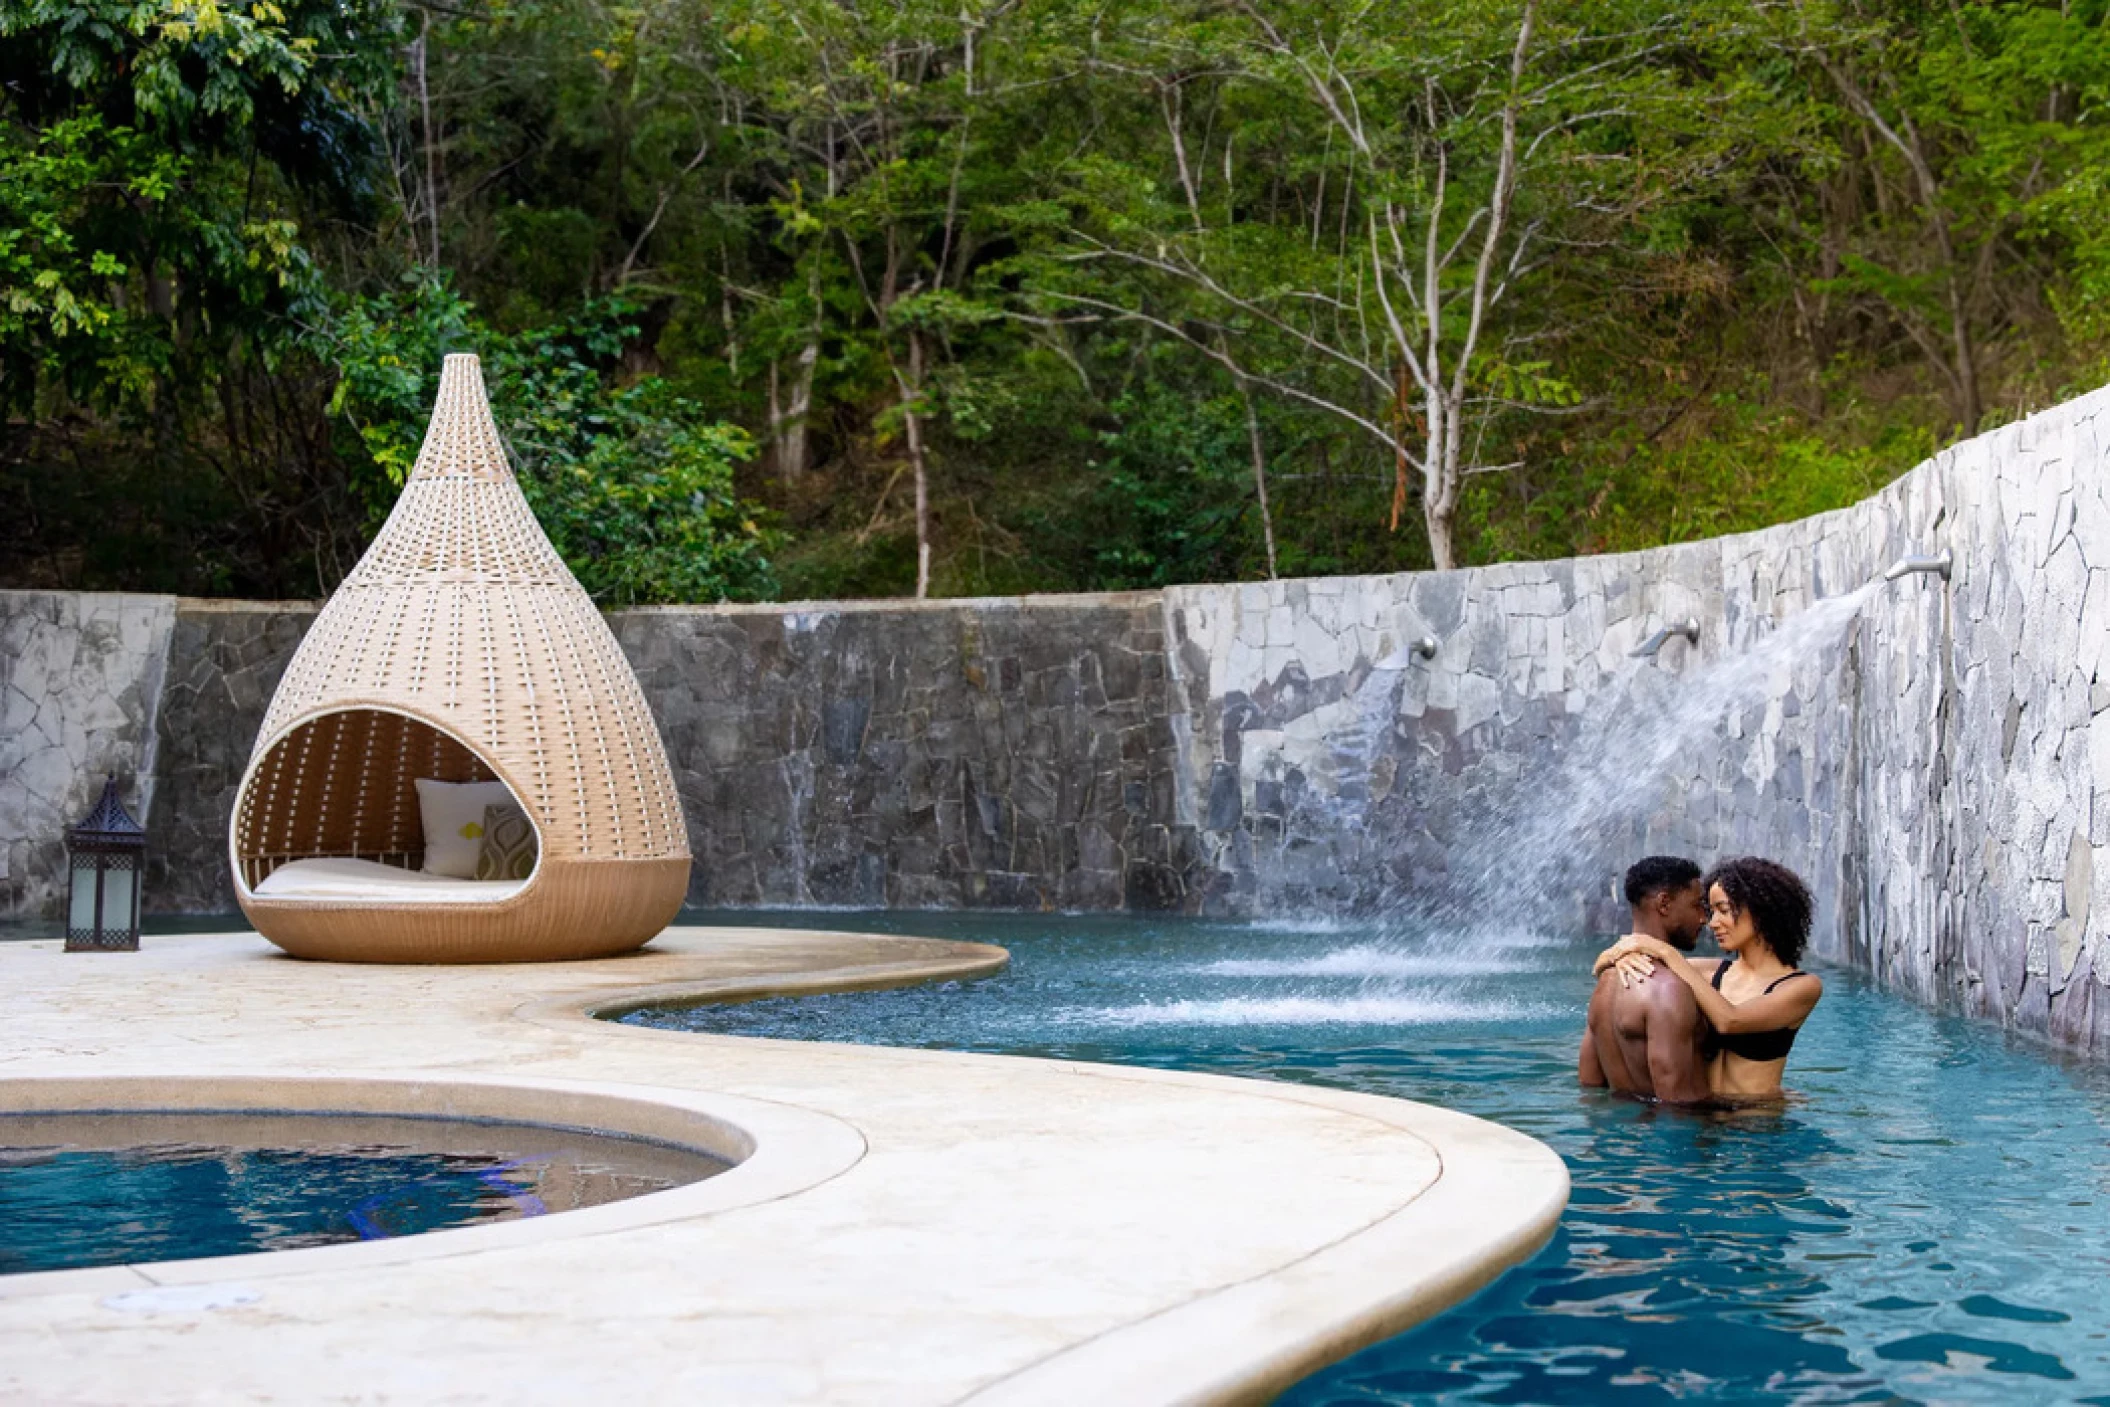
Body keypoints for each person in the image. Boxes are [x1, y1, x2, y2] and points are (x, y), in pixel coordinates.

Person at [1594, 856, 1824, 1101]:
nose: (1712, 923)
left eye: (1723, 910)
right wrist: (1618, 958)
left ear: (1761, 912)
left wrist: (1664, 951)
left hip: (1758, 1124)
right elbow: (1605, 966)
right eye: (1711, 911)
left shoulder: (1802, 987)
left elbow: (1730, 1020)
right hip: (1706, 1116)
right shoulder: (1708, 971)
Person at [1579, 856, 1713, 1103]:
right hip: (1680, 1137)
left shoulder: (1606, 981)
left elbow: (1590, 1082)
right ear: (1664, 903)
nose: (1704, 918)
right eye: (1697, 906)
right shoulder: (1667, 989)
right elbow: (1675, 1104)